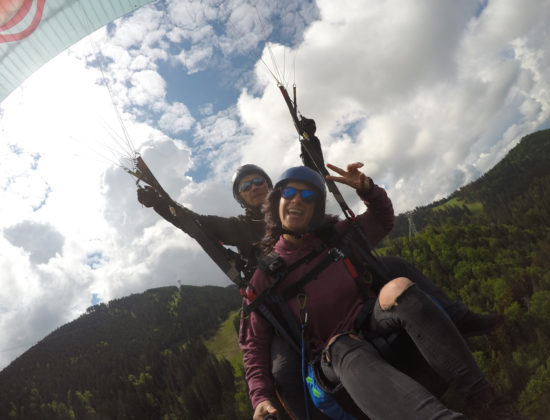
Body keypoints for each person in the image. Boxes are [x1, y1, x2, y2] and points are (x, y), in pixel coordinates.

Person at [240, 164, 519, 420]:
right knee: (341, 344)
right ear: (278, 201)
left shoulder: (335, 237)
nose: (297, 200)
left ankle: (487, 401)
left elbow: (382, 220)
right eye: (289, 192)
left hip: (369, 321)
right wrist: (260, 396)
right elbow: (254, 344)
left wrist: (368, 190)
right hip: (331, 355)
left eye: (308, 196)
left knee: (399, 287)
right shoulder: (266, 276)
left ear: (316, 208)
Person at [137, 164, 272, 276]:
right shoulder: (240, 227)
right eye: (246, 186)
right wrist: (159, 203)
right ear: (240, 197)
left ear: (268, 184)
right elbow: (196, 223)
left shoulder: (291, 209)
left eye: (258, 181)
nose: (254, 187)